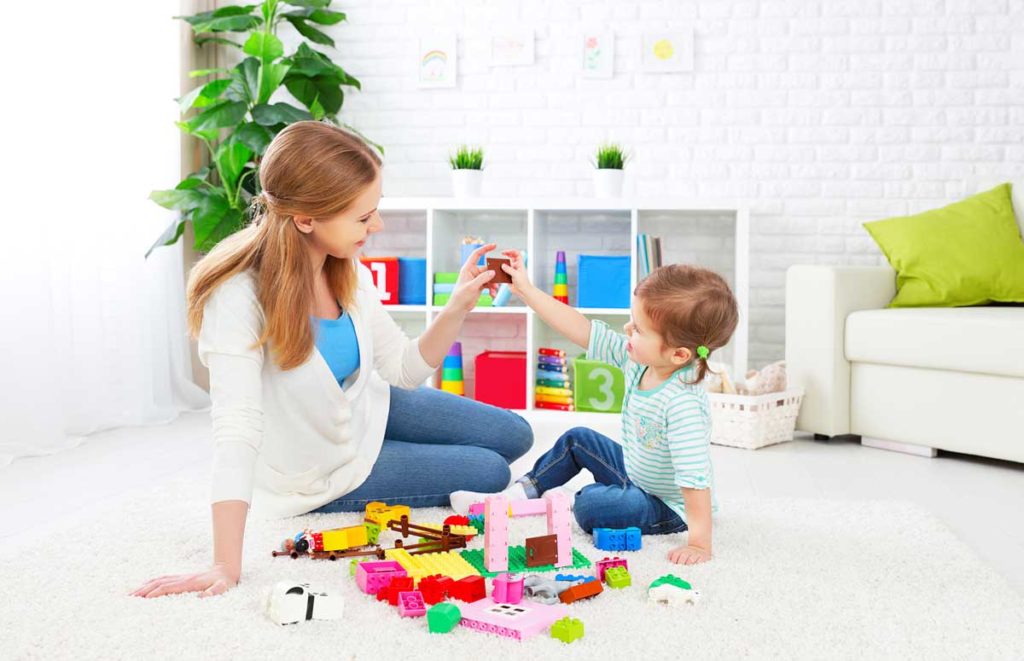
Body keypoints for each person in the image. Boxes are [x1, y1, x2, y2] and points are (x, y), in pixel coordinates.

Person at [133, 121, 532, 598]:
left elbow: (401, 368)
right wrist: (224, 564)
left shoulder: (343, 265)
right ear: (305, 218)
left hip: (367, 405)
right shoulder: (237, 296)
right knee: (489, 471)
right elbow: (236, 429)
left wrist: (458, 305)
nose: (376, 226)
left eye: (375, 211)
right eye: (363, 218)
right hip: (319, 469)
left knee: (515, 434)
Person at [451, 255, 737, 565]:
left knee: (589, 505)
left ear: (679, 354)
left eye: (638, 329)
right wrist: (526, 291)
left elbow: (694, 481)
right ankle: (520, 494)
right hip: (636, 472)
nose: (627, 329)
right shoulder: (640, 360)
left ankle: (591, 498)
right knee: (578, 439)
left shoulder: (683, 405)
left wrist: (698, 543)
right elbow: (582, 329)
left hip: (668, 505)